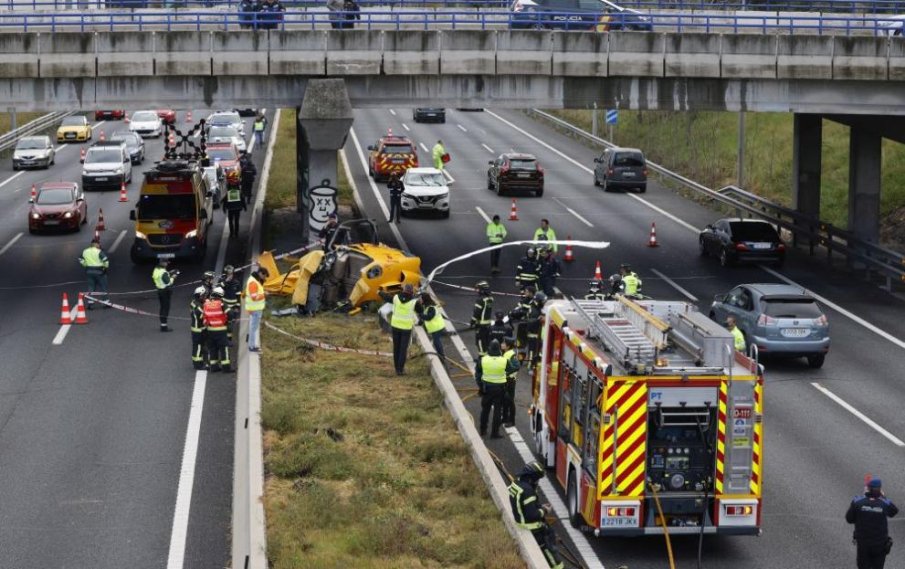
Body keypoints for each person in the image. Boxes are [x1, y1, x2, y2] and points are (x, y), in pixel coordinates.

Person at [508, 461, 564, 569]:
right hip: (533, 530)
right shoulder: (528, 490)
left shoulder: (516, 484)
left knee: (551, 532)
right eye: (537, 479)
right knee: (552, 556)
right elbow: (532, 515)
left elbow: (525, 506)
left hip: (520, 523)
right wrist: (545, 510)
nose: (537, 482)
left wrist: (539, 507)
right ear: (531, 478)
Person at [846, 478, 898, 569]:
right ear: (880, 489)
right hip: (880, 544)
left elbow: (849, 519)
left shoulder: (857, 501)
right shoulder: (884, 503)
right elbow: (894, 511)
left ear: (868, 488)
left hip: (863, 543)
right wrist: (883, 497)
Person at [379, 284, 420, 375]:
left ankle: (396, 368)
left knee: (396, 348)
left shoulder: (396, 298)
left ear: (403, 290)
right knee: (403, 349)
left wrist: (379, 292)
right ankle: (400, 370)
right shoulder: (414, 302)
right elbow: (420, 310)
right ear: (411, 292)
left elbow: (387, 297)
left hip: (395, 327)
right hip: (406, 329)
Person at [474, 339, 508, 439]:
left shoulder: (483, 360)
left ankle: (483, 430)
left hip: (486, 389)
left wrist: (481, 386)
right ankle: (495, 433)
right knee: (497, 411)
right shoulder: (504, 360)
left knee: (485, 410)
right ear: (499, 350)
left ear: (489, 348)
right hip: (499, 389)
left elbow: (478, 374)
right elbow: (512, 369)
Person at [204, 286, 232, 373]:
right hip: (221, 330)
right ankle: (226, 368)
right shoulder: (221, 304)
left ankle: (214, 366)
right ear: (220, 296)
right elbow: (230, 314)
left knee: (213, 348)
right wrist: (228, 320)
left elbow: (204, 317)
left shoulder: (206, 304)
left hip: (210, 330)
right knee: (224, 348)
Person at [79, 238, 109, 309]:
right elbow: (105, 260)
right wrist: (105, 268)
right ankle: (106, 303)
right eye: (99, 244)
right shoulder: (98, 251)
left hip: (89, 271)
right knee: (103, 287)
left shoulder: (85, 251)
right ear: (97, 244)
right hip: (99, 271)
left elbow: (80, 259)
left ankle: (90, 303)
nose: (99, 245)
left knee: (91, 287)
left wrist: (85, 264)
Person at [245, 266, 269, 353]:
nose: (265, 278)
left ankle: (250, 341)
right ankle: (252, 346)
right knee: (253, 328)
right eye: (265, 276)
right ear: (260, 273)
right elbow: (254, 297)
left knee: (253, 327)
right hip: (255, 308)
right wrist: (264, 295)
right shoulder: (253, 283)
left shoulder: (254, 280)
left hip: (253, 307)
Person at [152, 259, 178, 332]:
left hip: (159, 290)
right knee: (165, 309)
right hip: (165, 291)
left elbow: (160, 278)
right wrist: (173, 277)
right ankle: (164, 327)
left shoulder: (156, 269)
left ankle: (163, 325)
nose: (167, 264)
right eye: (166, 263)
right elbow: (168, 282)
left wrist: (168, 273)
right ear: (163, 263)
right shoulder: (163, 272)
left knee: (162, 307)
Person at [420, 292, 446, 364]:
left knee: (436, 342)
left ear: (424, 299)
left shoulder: (431, 307)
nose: (420, 300)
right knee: (436, 341)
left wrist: (421, 315)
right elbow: (425, 314)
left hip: (437, 327)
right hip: (436, 326)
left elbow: (428, 317)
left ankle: (442, 356)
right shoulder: (427, 305)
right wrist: (420, 321)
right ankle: (441, 355)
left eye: (421, 299)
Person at [508, 285, 534, 356]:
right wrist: (513, 313)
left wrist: (522, 312)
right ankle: (521, 356)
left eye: (526, 291)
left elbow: (531, 312)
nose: (525, 293)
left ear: (531, 293)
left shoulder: (534, 302)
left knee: (531, 344)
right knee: (521, 341)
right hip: (523, 324)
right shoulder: (525, 300)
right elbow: (519, 307)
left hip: (531, 325)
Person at [500, 336, 521, 427]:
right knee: (504, 400)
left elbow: (516, 366)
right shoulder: (507, 353)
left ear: (508, 346)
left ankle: (512, 421)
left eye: (503, 343)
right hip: (506, 380)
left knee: (510, 401)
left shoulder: (510, 354)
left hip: (510, 381)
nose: (502, 344)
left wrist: (507, 373)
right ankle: (505, 418)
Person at [219, 265, 242, 343]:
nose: (230, 276)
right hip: (224, 306)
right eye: (228, 274)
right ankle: (221, 338)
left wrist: (237, 308)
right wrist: (226, 282)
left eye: (231, 274)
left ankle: (228, 340)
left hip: (232, 307)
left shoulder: (236, 283)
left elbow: (238, 296)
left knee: (230, 325)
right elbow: (218, 289)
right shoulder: (222, 281)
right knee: (222, 323)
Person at [471, 280, 493, 356]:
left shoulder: (480, 300)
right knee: (486, 342)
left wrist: (472, 322)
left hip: (480, 325)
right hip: (488, 325)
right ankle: (486, 357)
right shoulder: (490, 298)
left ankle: (481, 359)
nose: (477, 291)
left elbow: (476, 313)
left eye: (478, 289)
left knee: (480, 342)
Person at [525, 292, 547, 366]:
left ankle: (535, 364)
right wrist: (538, 319)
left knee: (538, 351)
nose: (544, 303)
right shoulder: (534, 311)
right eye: (543, 301)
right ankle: (530, 366)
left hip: (537, 333)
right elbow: (530, 322)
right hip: (533, 334)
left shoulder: (536, 307)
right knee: (532, 351)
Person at [223, 171, 247, 237]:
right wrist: (244, 207)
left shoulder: (229, 191)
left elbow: (225, 200)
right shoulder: (238, 191)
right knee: (236, 221)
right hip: (237, 208)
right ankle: (236, 233)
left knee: (231, 221)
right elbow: (242, 199)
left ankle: (231, 233)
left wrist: (224, 208)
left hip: (230, 208)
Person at [190, 286, 208, 370]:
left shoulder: (193, 303)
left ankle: (199, 362)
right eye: (203, 296)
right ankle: (198, 365)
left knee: (198, 346)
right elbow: (205, 315)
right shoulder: (199, 308)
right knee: (198, 347)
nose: (205, 297)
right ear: (199, 296)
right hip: (199, 330)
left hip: (196, 328)